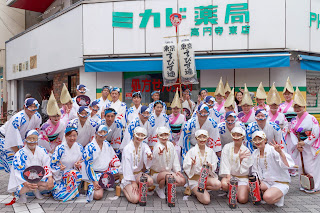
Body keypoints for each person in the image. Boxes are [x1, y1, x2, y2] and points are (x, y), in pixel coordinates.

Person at [8, 130, 54, 203]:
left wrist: (50, 178)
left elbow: (47, 165)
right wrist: (25, 182)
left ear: (37, 140)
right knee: (21, 187)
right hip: (24, 180)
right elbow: (17, 170)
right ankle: (22, 195)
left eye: (34, 138)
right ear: (26, 140)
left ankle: (36, 191)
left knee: (48, 184)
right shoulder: (20, 153)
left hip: (38, 177)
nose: (32, 141)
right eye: (30, 138)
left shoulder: (42, 150)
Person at [289, 87, 320, 193]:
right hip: (300, 145)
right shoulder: (294, 120)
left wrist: (305, 142)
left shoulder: (312, 118)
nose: (298, 109)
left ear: (304, 106)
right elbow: (292, 133)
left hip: (310, 145)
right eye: (296, 107)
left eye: (300, 106)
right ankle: (304, 185)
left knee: (311, 166)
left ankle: (314, 186)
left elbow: (316, 132)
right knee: (302, 166)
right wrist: (297, 144)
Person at [251, 131, 294, 207]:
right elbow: (254, 170)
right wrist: (258, 181)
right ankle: (270, 192)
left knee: (267, 197)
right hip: (266, 181)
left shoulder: (273, 149)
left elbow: (286, 165)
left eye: (260, 139)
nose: (257, 142)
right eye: (255, 140)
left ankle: (279, 195)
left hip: (279, 181)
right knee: (252, 185)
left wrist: (280, 152)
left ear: (265, 140)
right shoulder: (255, 153)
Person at [83, 125, 121, 202]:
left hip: (105, 172)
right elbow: (88, 166)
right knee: (98, 195)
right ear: (96, 134)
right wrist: (94, 181)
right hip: (94, 174)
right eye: (100, 132)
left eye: (105, 132)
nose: (103, 134)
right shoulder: (90, 147)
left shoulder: (106, 144)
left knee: (120, 170)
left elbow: (113, 156)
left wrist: (118, 165)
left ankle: (103, 184)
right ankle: (98, 185)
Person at [183, 130, 221, 205]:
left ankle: (202, 190)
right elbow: (185, 167)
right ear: (196, 139)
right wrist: (192, 164)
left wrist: (211, 165)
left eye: (204, 137)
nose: (202, 139)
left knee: (218, 184)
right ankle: (195, 190)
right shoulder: (191, 151)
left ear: (207, 138)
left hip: (206, 178)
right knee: (206, 201)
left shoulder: (210, 151)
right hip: (195, 179)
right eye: (199, 137)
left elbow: (214, 165)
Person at [50, 123, 84, 202]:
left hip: (73, 174)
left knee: (74, 174)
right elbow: (53, 164)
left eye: (74, 135)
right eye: (70, 136)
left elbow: (83, 161)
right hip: (60, 175)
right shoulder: (60, 148)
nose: (72, 138)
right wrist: (59, 168)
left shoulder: (79, 147)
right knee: (58, 196)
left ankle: (70, 193)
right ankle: (72, 193)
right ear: (65, 136)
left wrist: (78, 166)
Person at [120, 127, 153, 204]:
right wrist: (133, 182)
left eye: (142, 135)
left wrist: (149, 156)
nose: (139, 137)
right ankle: (124, 188)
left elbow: (148, 153)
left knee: (150, 181)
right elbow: (127, 167)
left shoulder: (144, 145)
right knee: (135, 199)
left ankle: (136, 188)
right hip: (128, 176)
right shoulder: (127, 148)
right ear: (134, 134)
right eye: (138, 134)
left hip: (138, 173)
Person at [150, 127, 186, 199]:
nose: (164, 137)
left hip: (168, 173)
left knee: (182, 180)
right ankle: (159, 188)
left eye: (166, 135)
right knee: (167, 176)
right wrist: (158, 154)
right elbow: (154, 158)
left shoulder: (170, 145)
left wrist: (177, 171)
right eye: (161, 135)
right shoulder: (157, 146)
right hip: (157, 174)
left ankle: (167, 186)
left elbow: (175, 158)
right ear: (158, 136)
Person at [220, 127, 252, 204]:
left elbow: (244, 170)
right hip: (231, 176)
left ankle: (239, 190)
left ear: (243, 137)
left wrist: (240, 160)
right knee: (224, 184)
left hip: (242, 178)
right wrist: (228, 176)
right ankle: (232, 190)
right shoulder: (227, 147)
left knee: (242, 199)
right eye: (234, 135)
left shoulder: (246, 150)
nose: (236, 137)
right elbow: (224, 162)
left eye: (239, 135)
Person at [169, 91, 186, 161]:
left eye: (177, 108)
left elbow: (183, 130)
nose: (175, 110)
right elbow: (168, 130)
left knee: (178, 151)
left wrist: (179, 142)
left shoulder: (182, 117)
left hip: (179, 139)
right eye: (174, 108)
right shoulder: (168, 117)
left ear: (180, 109)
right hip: (171, 139)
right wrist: (171, 140)